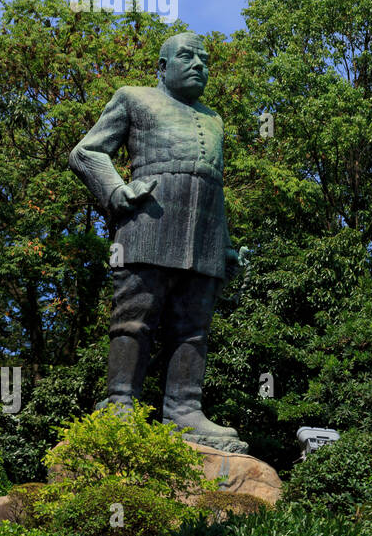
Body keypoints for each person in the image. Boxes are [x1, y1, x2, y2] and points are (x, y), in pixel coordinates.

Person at [69, 31, 246, 452]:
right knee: (134, 317)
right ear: (162, 67)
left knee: (193, 330)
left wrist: (224, 244)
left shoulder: (214, 119)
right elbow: (86, 152)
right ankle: (120, 403)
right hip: (149, 221)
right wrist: (115, 191)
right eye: (187, 57)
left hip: (203, 235)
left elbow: (214, 185)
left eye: (204, 59)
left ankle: (185, 412)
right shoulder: (134, 97)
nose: (199, 65)